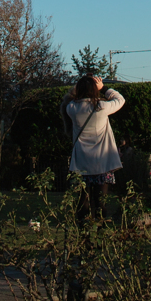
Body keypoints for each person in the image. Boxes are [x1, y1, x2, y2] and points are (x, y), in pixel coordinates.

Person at [61, 75, 125, 220]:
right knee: (100, 202)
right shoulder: (101, 107)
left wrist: (80, 87)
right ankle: (100, 232)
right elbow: (120, 100)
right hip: (102, 162)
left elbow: (68, 100)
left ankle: (83, 233)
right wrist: (104, 88)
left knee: (83, 202)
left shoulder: (72, 108)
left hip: (81, 162)